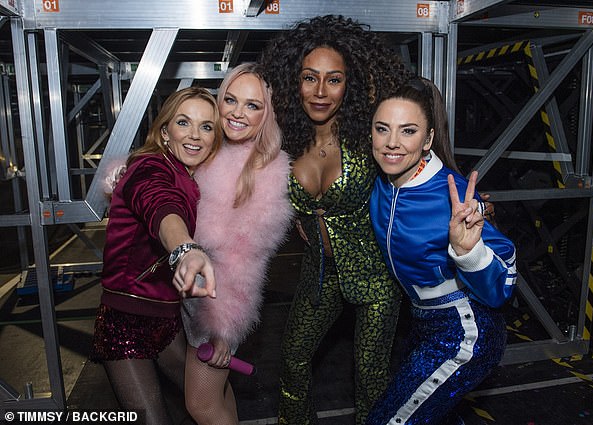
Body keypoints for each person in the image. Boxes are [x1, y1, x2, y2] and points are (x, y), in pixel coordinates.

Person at [260, 15, 413, 425]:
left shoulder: (369, 135)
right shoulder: (282, 140)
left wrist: (469, 204)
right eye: (310, 78)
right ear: (295, 81)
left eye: (334, 79)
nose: (321, 91)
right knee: (293, 360)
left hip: (376, 272)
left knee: (370, 375)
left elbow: (419, 166)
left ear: (351, 84)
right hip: (319, 271)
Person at [367, 77, 517, 425]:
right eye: (382, 129)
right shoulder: (384, 181)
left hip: (464, 331)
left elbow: (504, 283)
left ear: (428, 139)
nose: (391, 143)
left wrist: (469, 252)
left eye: (408, 131)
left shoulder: (454, 198)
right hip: (421, 321)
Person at [90, 86, 222, 425]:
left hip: (167, 319)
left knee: (208, 394)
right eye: (184, 123)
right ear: (165, 132)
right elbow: (160, 205)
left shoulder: (192, 177)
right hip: (125, 321)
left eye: (206, 126)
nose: (195, 135)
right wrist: (185, 248)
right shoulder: (148, 168)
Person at [180, 62, 293, 425]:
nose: (237, 113)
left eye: (252, 105)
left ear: (267, 114)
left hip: (217, 306)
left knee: (201, 404)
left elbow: (245, 261)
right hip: (194, 295)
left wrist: (224, 328)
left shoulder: (266, 170)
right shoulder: (213, 151)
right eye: (230, 100)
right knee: (218, 394)